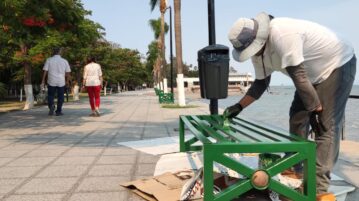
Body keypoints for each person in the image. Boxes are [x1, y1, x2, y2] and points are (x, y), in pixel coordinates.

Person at [224, 12, 356, 198]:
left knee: (326, 127)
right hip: (310, 76)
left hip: (337, 64)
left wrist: (316, 109)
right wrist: (238, 107)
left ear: (259, 39)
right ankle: (296, 167)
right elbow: (261, 84)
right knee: (297, 117)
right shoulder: (258, 54)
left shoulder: (282, 34)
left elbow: (299, 77)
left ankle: (318, 190)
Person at [41, 47, 71, 116]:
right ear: (60, 52)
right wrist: (67, 81)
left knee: (50, 95)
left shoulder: (49, 60)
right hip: (61, 81)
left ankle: (51, 106)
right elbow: (68, 72)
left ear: (53, 52)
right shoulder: (64, 61)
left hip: (51, 81)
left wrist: (43, 80)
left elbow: (45, 71)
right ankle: (58, 111)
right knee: (61, 96)